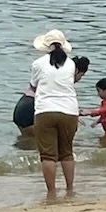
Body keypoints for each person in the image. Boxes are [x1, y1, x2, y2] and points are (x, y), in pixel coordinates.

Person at [29, 29, 82, 200]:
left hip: (45, 111)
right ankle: (70, 189)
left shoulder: (38, 64)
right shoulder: (71, 64)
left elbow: (34, 86)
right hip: (69, 111)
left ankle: (51, 192)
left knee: (48, 155)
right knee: (67, 152)